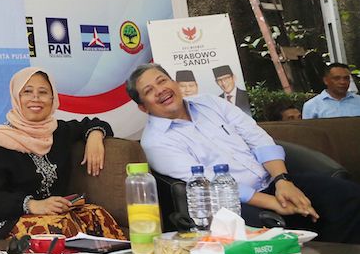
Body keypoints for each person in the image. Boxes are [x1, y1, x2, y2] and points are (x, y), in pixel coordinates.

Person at [126, 63, 360, 243]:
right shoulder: (155, 142)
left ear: (173, 82)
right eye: (149, 90)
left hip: (272, 181)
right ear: (143, 107)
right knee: (275, 224)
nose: (161, 90)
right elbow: (207, 182)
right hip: (231, 203)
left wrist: (283, 181)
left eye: (162, 81)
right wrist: (273, 202)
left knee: (347, 194)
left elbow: (257, 138)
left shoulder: (211, 103)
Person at [0, 67, 125, 240]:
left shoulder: (58, 131)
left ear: (53, 99)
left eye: (43, 92)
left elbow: (93, 123)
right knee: (57, 227)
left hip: (55, 214)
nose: (35, 98)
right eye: (27, 92)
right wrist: (32, 205)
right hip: (7, 219)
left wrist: (95, 136)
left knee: (96, 215)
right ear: (16, 97)